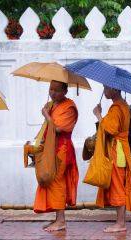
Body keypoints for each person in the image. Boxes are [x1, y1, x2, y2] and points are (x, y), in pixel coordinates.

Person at [34, 80, 79, 232]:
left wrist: (46, 115)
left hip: (62, 150)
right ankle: (57, 219)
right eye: (50, 89)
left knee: (56, 182)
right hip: (51, 148)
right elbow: (47, 128)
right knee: (52, 182)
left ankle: (61, 221)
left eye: (57, 90)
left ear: (65, 91)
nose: (52, 93)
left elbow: (58, 129)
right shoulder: (53, 105)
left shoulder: (69, 107)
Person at [92, 85, 131, 233]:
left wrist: (98, 115)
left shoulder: (117, 108)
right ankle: (120, 222)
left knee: (118, 186)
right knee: (119, 184)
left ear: (116, 89)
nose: (104, 91)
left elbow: (110, 130)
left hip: (117, 151)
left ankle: (120, 223)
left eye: (107, 88)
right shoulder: (124, 106)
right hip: (122, 148)